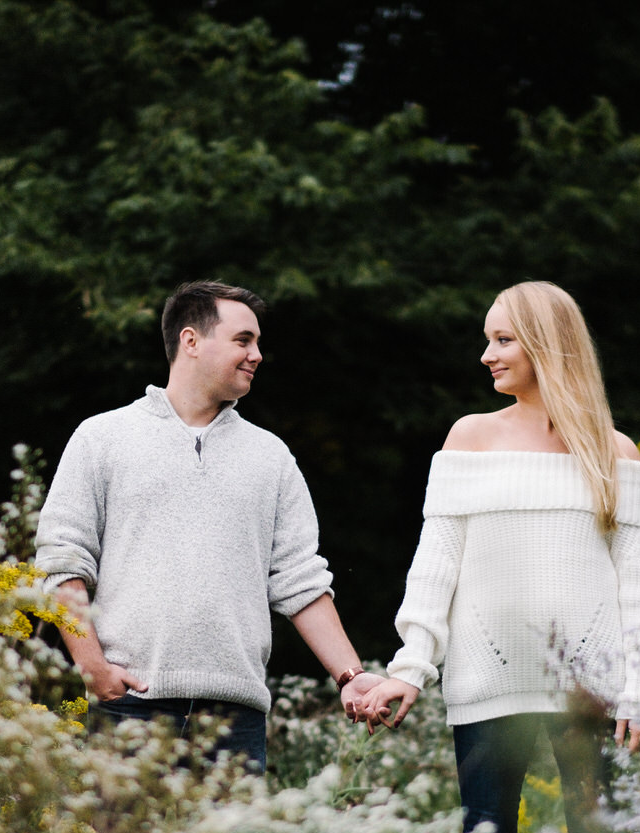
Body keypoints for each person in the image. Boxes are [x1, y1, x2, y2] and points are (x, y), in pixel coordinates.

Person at [355, 280, 640, 833]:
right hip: (487, 683)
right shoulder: (469, 438)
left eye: (503, 340)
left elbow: (639, 586)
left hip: (590, 690)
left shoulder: (615, 453)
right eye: (487, 340)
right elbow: (436, 564)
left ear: (547, 346)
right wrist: (411, 667)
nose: (487, 355)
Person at [35, 280, 381, 772]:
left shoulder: (271, 457)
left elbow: (300, 579)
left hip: (234, 715)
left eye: (257, 343)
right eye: (244, 340)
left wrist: (351, 676)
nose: (257, 354)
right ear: (191, 341)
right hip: (131, 705)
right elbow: (63, 559)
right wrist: (92, 667)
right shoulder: (102, 438)